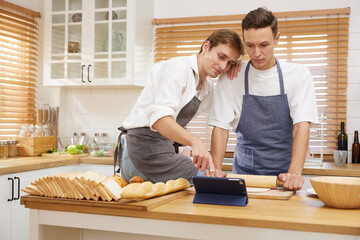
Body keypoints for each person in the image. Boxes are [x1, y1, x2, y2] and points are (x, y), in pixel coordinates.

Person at [207, 7, 319, 190]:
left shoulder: (298, 75)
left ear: (277, 39)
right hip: (243, 177)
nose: (256, 53)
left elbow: (301, 126)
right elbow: (220, 127)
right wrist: (215, 171)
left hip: (285, 177)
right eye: (250, 46)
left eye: (264, 45)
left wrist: (295, 172)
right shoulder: (231, 77)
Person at [114, 29, 245, 183]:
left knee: (205, 181)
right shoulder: (178, 68)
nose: (223, 66)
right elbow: (160, 120)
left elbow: (225, 112)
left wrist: (240, 71)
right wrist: (195, 141)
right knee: (206, 180)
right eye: (221, 57)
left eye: (230, 63)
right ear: (206, 47)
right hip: (142, 152)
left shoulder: (207, 88)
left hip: (162, 151)